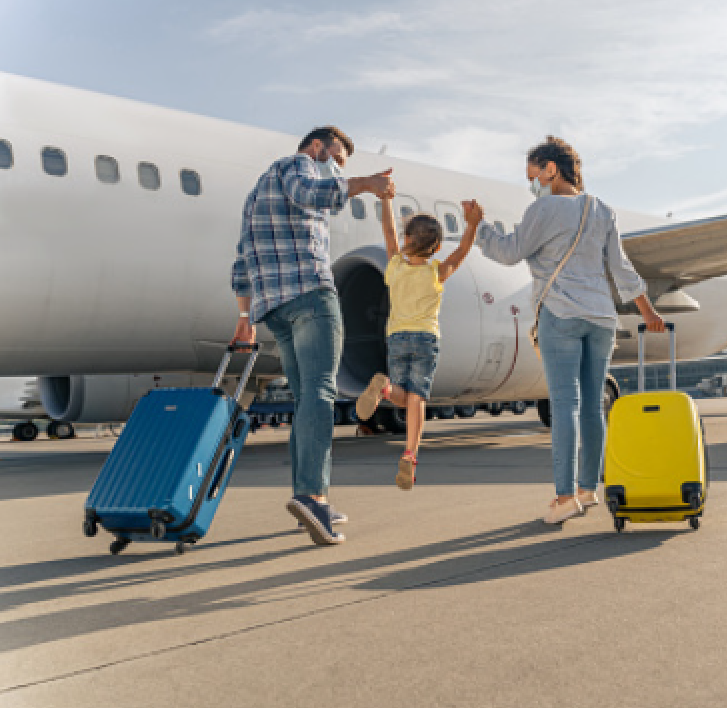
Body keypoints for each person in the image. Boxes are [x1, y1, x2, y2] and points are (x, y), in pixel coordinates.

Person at [476, 136, 665, 525]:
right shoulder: (602, 210)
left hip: (560, 315)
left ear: (551, 169)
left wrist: (480, 229)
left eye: (534, 175)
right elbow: (621, 269)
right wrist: (648, 312)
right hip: (601, 319)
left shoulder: (542, 209)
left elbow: (510, 252)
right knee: (594, 405)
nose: (532, 184)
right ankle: (587, 489)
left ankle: (564, 498)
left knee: (565, 405)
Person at [231, 125, 394, 546]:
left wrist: (244, 319)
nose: (338, 170)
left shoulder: (256, 194)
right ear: (318, 146)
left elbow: (242, 260)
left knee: (306, 400)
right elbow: (313, 193)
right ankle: (312, 494)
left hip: (275, 309)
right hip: (309, 294)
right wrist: (367, 185)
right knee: (321, 394)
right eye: (337, 160)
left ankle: (308, 493)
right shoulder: (299, 165)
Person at [354, 186, 481, 490]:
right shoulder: (437, 272)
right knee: (417, 397)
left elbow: (388, 231)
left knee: (400, 393)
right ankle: (411, 452)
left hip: (397, 338)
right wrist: (472, 224)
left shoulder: (395, 266)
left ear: (407, 239)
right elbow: (462, 252)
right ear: (436, 248)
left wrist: (386, 200)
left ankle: (384, 387)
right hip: (426, 338)